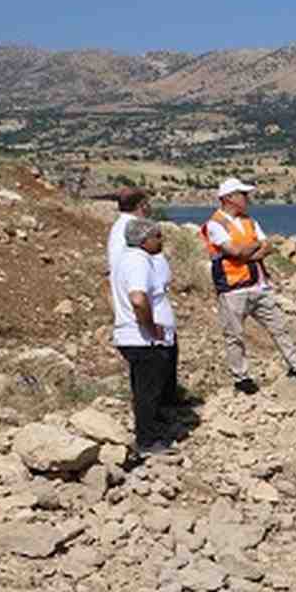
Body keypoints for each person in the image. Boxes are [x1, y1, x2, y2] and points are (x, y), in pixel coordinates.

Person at [198, 177, 296, 395]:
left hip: (258, 285)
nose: (247, 198)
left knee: (280, 327)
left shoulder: (249, 221)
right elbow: (234, 251)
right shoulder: (215, 224)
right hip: (233, 288)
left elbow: (267, 246)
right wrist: (254, 247)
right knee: (234, 336)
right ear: (229, 198)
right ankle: (241, 378)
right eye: (243, 194)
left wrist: (249, 250)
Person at [110, 218, 177, 454]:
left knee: (145, 389)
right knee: (147, 391)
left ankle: (150, 433)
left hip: (137, 336)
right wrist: (150, 326)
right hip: (143, 339)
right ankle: (146, 441)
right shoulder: (138, 262)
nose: (161, 240)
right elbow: (138, 299)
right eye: (157, 236)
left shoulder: (128, 259)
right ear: (144, 240)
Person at [106, 187, 151, 272]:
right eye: (146, 203)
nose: (148, 207)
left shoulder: (119, 224)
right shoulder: (135, 227)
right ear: (140, 205)